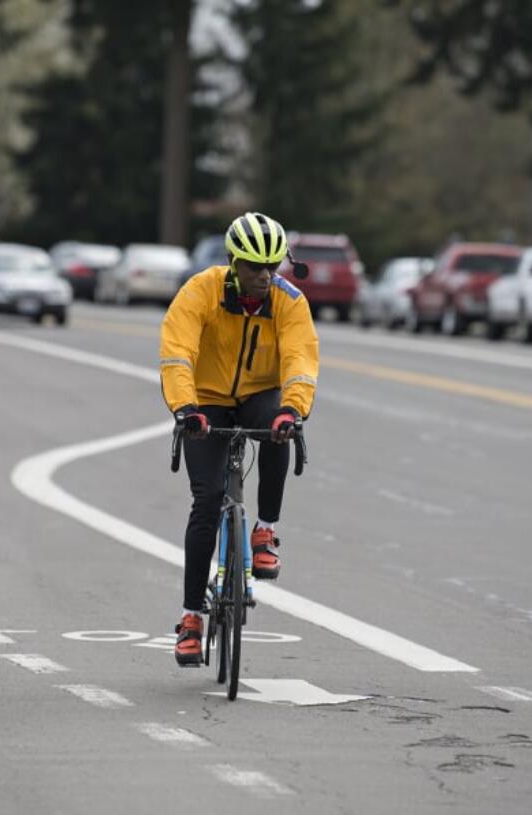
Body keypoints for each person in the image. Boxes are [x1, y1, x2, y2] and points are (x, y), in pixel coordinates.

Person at [159, 212, 320, 667]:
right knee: (207, 500)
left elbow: (300, 360)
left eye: (273, 266)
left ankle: (265, 531)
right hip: (206, 399)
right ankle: (191, 619)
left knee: (278, 429)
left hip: (259, 394)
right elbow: (177, 352)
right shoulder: (201, 291)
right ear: (233, 261)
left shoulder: (289, 301)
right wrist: (185, 409)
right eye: (254, 266)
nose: (265, 276)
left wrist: (293, 408)